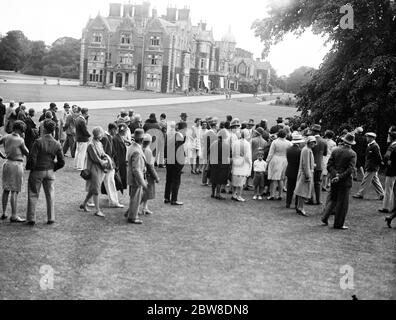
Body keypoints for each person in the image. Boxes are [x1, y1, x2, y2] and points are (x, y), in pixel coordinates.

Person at [25, 120, 65, 225]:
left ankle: (31, 218)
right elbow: (62, 162)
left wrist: (31, 168)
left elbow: (32, 158)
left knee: (33, 194)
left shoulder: (38, 142)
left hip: (37, 171)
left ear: (44, 129)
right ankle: (51, 218)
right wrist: (53, 168)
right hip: (50, 171)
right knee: (50, 195)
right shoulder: (57, 143)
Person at [321, 133, 357, 230]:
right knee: (342, 203)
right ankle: (338, 224)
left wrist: (335, 174)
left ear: (344, 141)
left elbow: (329, 165)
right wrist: (340, 176)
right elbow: (350, 170)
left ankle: (324, 217)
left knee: (333, 199)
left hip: (334, 179)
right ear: (352, 143)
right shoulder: (352, 153)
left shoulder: (335, 150)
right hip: (344, 181)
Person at [0, 121, 29, 222]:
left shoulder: (6, 137)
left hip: (7, 163)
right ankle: (14, 215)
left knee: (6, 189)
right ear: (21, 130)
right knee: (15, 190)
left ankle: (4, 212)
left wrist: (2, 155)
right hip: (16, 165)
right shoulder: (20, 140)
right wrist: (24, 139)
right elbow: (27, 152)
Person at [80, 127, 110, 218]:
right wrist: (105, 162)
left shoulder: (99, 143)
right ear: (97, 134)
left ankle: (84, 204)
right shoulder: (91, 145)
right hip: (94, 169)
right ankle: (97, 210)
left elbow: (102, 154)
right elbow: (96, 159)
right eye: (101, 133)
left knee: (93, 189)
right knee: (96, 190)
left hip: (99, 169)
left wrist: (106, 157)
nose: (102, 135)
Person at [353, 132, 384, 200]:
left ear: (371, 138)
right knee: (375, 180)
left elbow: (378, 157)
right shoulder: (370, 145)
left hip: (372, 167)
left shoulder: (375, 146)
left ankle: (360, 194)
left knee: (365, 180)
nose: (366, 138)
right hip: (370, 166)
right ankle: (381, 194)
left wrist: (377, 165)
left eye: (368, 137)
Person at [100, 123, 124, 208]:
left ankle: (113, 201)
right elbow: (104, 153)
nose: (116, 131)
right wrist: (109, 164)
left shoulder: (108, 137)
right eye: (115, 130)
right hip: (107, 164)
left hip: (108, 164)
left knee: (105, 182)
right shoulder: (106, 138)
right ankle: (114, 202)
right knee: (110, 183)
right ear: (112, 129)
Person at [126, 128, 147, 224]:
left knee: (134, 196)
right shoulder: (137, 151)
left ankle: (130, 212)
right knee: (136, 197)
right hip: (136, 178)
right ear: (142, 140)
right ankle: (133, 217)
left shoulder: (132, 147)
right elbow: (137, 169)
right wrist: (142, 182)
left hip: (131, 176)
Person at [266, 129, 293, 200]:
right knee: (281, 179)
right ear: (285, 135)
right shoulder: (289, 143)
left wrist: (267, 161)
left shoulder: (275, 142)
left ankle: (272, 195)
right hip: (284, 160)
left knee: (274, 179)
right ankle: (280, 195)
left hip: (275, 159)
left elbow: (271, 153)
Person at [164, 122, 186, 205]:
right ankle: (174, 199)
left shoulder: (169, 135)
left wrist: (165, 158)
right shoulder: (179, 136)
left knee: (169, 179)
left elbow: (165, 147)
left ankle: (167, 197)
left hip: (169, 160)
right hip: (176, 161)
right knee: (176, 180)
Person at [294, 136, 316, 216]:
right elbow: (305, 163)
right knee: (303, 192)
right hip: (305, 173)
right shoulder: (306, 150)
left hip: (305, 172)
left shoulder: (307, 149)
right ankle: (301, 208)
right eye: (313, 142)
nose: (314, 143)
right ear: (309, 142)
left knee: (301, 192)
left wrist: (313, 165)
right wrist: (308, 175)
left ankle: (300, 207)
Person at [306, 124, 328, 205]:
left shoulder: (311, 140)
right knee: (318, 183)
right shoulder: (323, 141)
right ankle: (318, 200)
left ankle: (311, 199)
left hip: (311, 164)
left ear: (313, 131)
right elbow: (325, 153)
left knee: (310, 182)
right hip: (319, 164)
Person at [140, 133, 160, 215]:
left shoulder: (141, 148)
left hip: (143, 173)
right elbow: (150, 166)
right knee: (146, 192)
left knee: (145, 192)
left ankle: (145, 207)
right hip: (147, 175)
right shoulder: (148, 151)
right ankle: (140, 208)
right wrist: (156, 177)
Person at [209, 128, 231, 200]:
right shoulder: (226, 144)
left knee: (213, 178)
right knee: (219, 180)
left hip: (213, 163)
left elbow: (209, 152)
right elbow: (228, 154)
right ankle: (218, 194)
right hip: (222, 164)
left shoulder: (213, 143)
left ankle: (212, 193)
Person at [231, 129, 252, 202]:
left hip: (235, 162)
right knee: (241, 180)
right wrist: (250, 164)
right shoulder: (247, 144)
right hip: (243, 163)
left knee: (235, 178)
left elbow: (233, 152)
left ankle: (234, 194)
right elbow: (248, 156)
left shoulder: (235, 142)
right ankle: (239, 196)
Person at [285, 133, 305, 208]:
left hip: (289, 170)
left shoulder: (288, 149)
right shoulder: (300, 151)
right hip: (297, 171)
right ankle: (296, 204)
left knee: (289, 188)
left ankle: (288, 203)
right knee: (297, 189)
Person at [380, 131, 396, 214]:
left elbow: (386, 156)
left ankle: (385, 207)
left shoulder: (392, 145)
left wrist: (386, 162)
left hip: (392, 169)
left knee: (388, 188)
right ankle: (394, 207)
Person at [113, 123, 128, 191]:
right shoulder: (116, 139)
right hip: (119, 161)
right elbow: (115, 152)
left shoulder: (120, 137)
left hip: (122, 161)